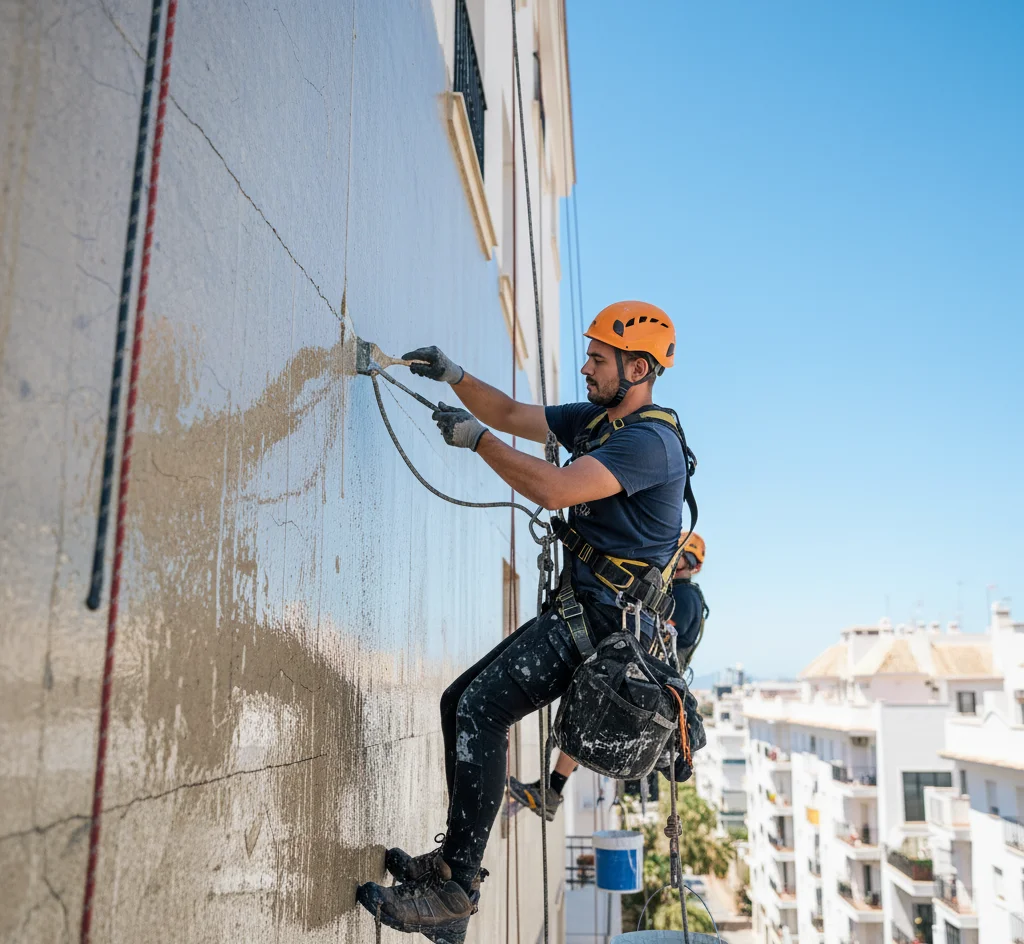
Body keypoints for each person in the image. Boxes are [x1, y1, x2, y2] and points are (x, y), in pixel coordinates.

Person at [356, 302, 692, 942]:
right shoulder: (598, 419)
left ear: (638, 367)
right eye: (592, 356)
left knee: (482, 709)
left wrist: (475, 441)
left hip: (604, 628)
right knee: (461, 700)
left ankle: (454, 891)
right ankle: (454, 866)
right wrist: (454, 375)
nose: (588, 367)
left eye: (600, 359)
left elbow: (553, 489)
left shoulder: (652, 444)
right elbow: (512, 414)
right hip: (583, 611)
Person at [508, 531, 708, 820]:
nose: (678, 562)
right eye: (678, 554)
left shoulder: (687, 596)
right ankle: (551, 789)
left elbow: (658, 632)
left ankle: (552, 789)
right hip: (648, 679)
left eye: (686, 558)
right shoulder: (672, 590)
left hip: (650, 684)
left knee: (594, 708)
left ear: (695, 566)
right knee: (590, 714)